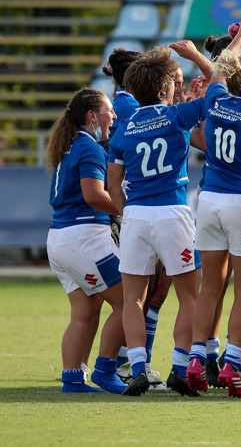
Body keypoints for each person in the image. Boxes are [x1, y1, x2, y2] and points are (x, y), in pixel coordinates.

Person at [172, 7, 241, 399]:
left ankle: (198, 357)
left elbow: (216, 69)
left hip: (209, 199)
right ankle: (233, 363)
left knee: (209, 289)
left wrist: (240, 35)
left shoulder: (215, 98)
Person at [106, 46, 206, 397]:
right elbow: (221, 89)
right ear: (166, 89)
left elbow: (112, 186)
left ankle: (136, 369)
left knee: (133, 298)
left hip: (136, 214)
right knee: (189, 296)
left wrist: (127, 213)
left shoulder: (123, 127)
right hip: (173, 212)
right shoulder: (177, 115)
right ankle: (180, 368)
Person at [45, 87, 128, 395]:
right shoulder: (89, 147)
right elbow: (93, 195)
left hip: (60, 238)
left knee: (85, 310)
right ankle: (105, 371)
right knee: (129, 301)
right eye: (109, 110)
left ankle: (72, 380)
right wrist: (127, 209)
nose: (114, 115)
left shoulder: (70, 144)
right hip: (85, 238)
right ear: (92, 115)